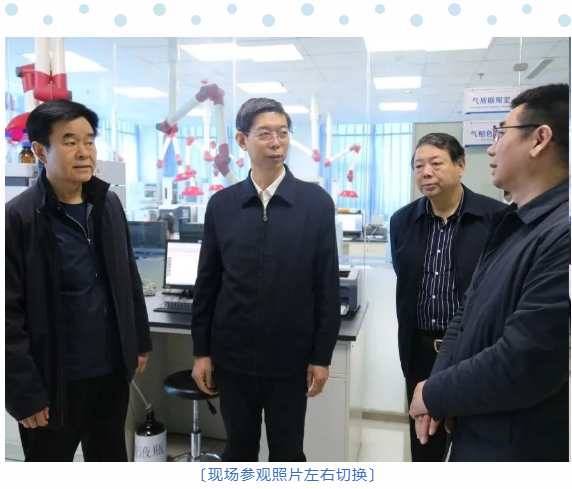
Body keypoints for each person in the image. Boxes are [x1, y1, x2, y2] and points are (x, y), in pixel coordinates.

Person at [410, 83, 570, 462]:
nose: (493, 149)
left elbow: (526, 360)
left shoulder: (561, 233)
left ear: (539, 140)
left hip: (515, 444)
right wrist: (441, 385)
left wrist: (433, 392)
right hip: (474, 423)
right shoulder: (513, 224)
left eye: (501, 134)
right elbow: (465, 314)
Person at [191, 97, 340, 462]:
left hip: (290, 359)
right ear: (243, 141)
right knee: (238, 450)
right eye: (265, 134)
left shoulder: (315, 204)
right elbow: (207, 284)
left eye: (283, 133)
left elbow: (326, 286)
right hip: (233, 358)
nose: (276, 143)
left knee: (287, 453)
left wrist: (321, 356)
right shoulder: (222, 205)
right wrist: (202, 352)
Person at [5, 99, 152, 462]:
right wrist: (24, 391)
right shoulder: (19, 218)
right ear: (41, 151)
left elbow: (128, 278)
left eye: (89, 141)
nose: (84, 152)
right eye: (70, 142)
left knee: (110, 460)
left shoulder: (107, 204)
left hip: (110, 372)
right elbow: (7, 316)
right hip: (55, 379)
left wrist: (138, 341)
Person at [390, 133, 505, 462]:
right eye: (418, 166)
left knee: (475, 441)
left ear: (461, 165)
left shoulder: (497, 218)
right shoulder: (402, 221)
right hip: (420, 350)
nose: (426, 172)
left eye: (436, 163)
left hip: (475, 351)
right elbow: (405, 280)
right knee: (425, 442)